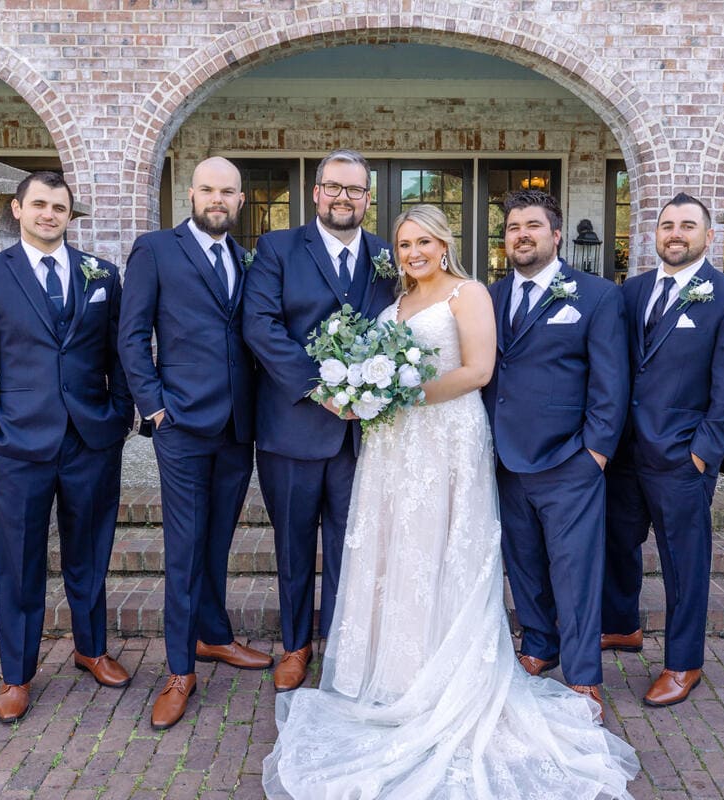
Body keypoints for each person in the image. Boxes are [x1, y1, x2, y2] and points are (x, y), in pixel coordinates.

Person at [262, 205, 638, 799]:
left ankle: (463, 671)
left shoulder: (469, 294)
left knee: (443, 549)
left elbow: (479, 371)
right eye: (404, 243)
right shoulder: (391, 303)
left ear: (444, 243)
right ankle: (397, 671)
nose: (413, 252)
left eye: (424, 241)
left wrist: (400, 395)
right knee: (398, 551)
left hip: (445, 437)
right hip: (392, 447)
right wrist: (364, 392)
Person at [0, 171, 134, 723]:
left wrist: (119, 417)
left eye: (59, 207)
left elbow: (119, 353)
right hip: (18, 444)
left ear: (69, 214)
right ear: (18, 209)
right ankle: (17, 675)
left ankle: (91, 649)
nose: (49, 214)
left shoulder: (101, 274)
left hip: (90, 440)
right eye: (39, 204)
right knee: (19, 562)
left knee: (90, 554)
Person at [119, 157, 271, 730]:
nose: (218, 198)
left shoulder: (240, 255)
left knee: (217, 541)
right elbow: (132, 336)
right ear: (191, 193)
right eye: (208, 189)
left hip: (237, 428)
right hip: (180, 426)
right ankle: (180, 670)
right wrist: (154, 408)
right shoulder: (155, 249)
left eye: (228, 191)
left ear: (239, 198)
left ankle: (214, 636)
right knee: (183, 550)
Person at [242, 149, 398, 692]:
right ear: (316, 192)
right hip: (293, 426)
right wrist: (321, 388)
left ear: (367, 199)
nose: (343, 198)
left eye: (354, 191)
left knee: (350, 544)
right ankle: (295, 645)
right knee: (292, 544)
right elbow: (260, 326)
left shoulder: (387, 255)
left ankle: (341, 644)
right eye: (334, 187)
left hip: (363, 433)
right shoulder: (278, 247)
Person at [602, 192, 724, 707]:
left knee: (683, 562)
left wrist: (702, 454)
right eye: (667, 224)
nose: (675, 233)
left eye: (687, 225)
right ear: (655, 234)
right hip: (624, 451)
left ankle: (683, 662)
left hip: (681, 458)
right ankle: (623, 625)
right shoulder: (632, 291)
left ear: (707, 236)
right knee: (615, 542)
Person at [483, 189, 630, 710]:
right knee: (522, 564)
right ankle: (540, 645)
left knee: (575, 572)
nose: (521, 235)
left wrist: (595, 452)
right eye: (513, 228)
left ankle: (584, 669)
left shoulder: (594, 295)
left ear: (556, 234)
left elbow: (611, 383)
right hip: (505, 460)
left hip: (569, 460)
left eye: (532, 226)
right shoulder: (491, 296)